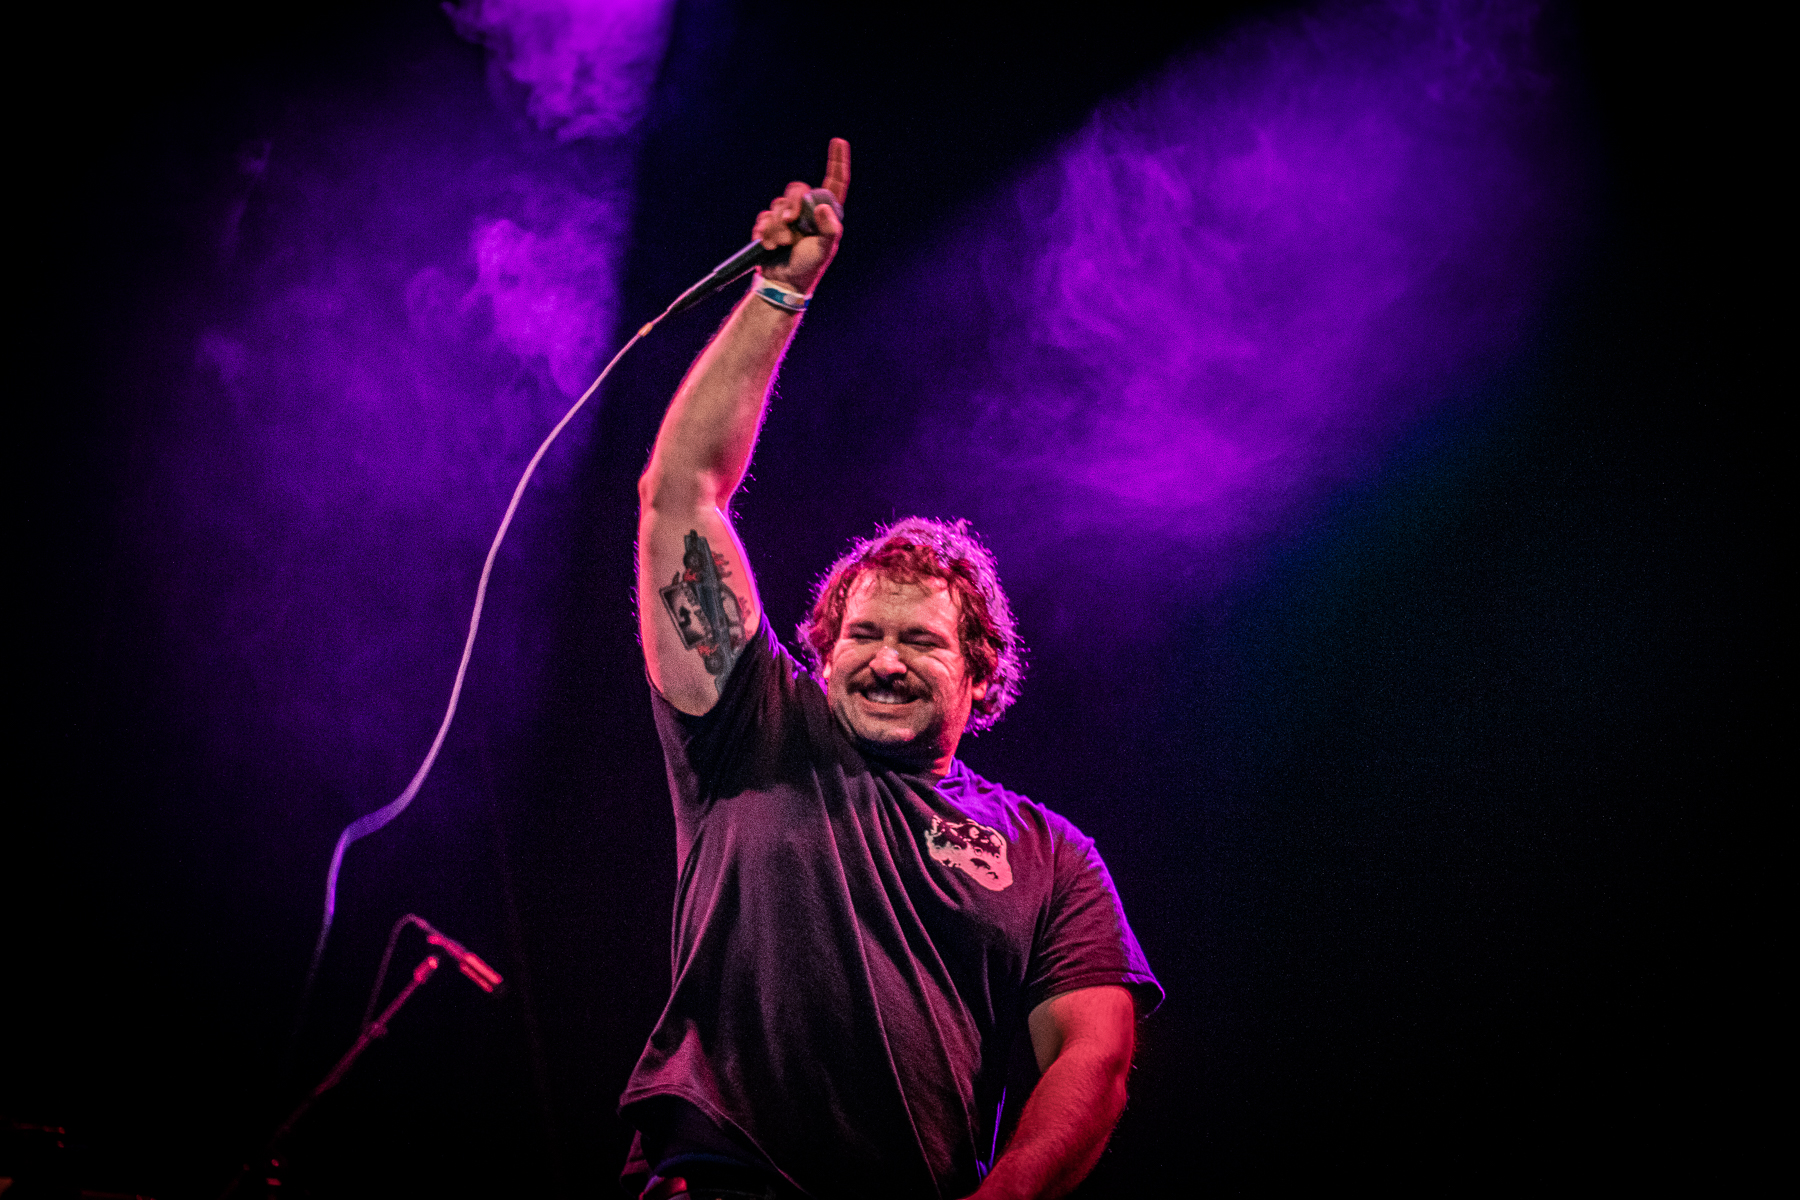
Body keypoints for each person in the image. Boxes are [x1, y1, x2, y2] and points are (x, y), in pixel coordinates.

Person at [623, 138, 1161, 1200]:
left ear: (981, 675)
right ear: (822, 651)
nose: (885, 659)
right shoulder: (755, 725)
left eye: (921, 642)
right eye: (863, 634)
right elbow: (682, 490)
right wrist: (781, 291)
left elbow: (1092, 1059)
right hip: (718, 1177)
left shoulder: (1051, 857)